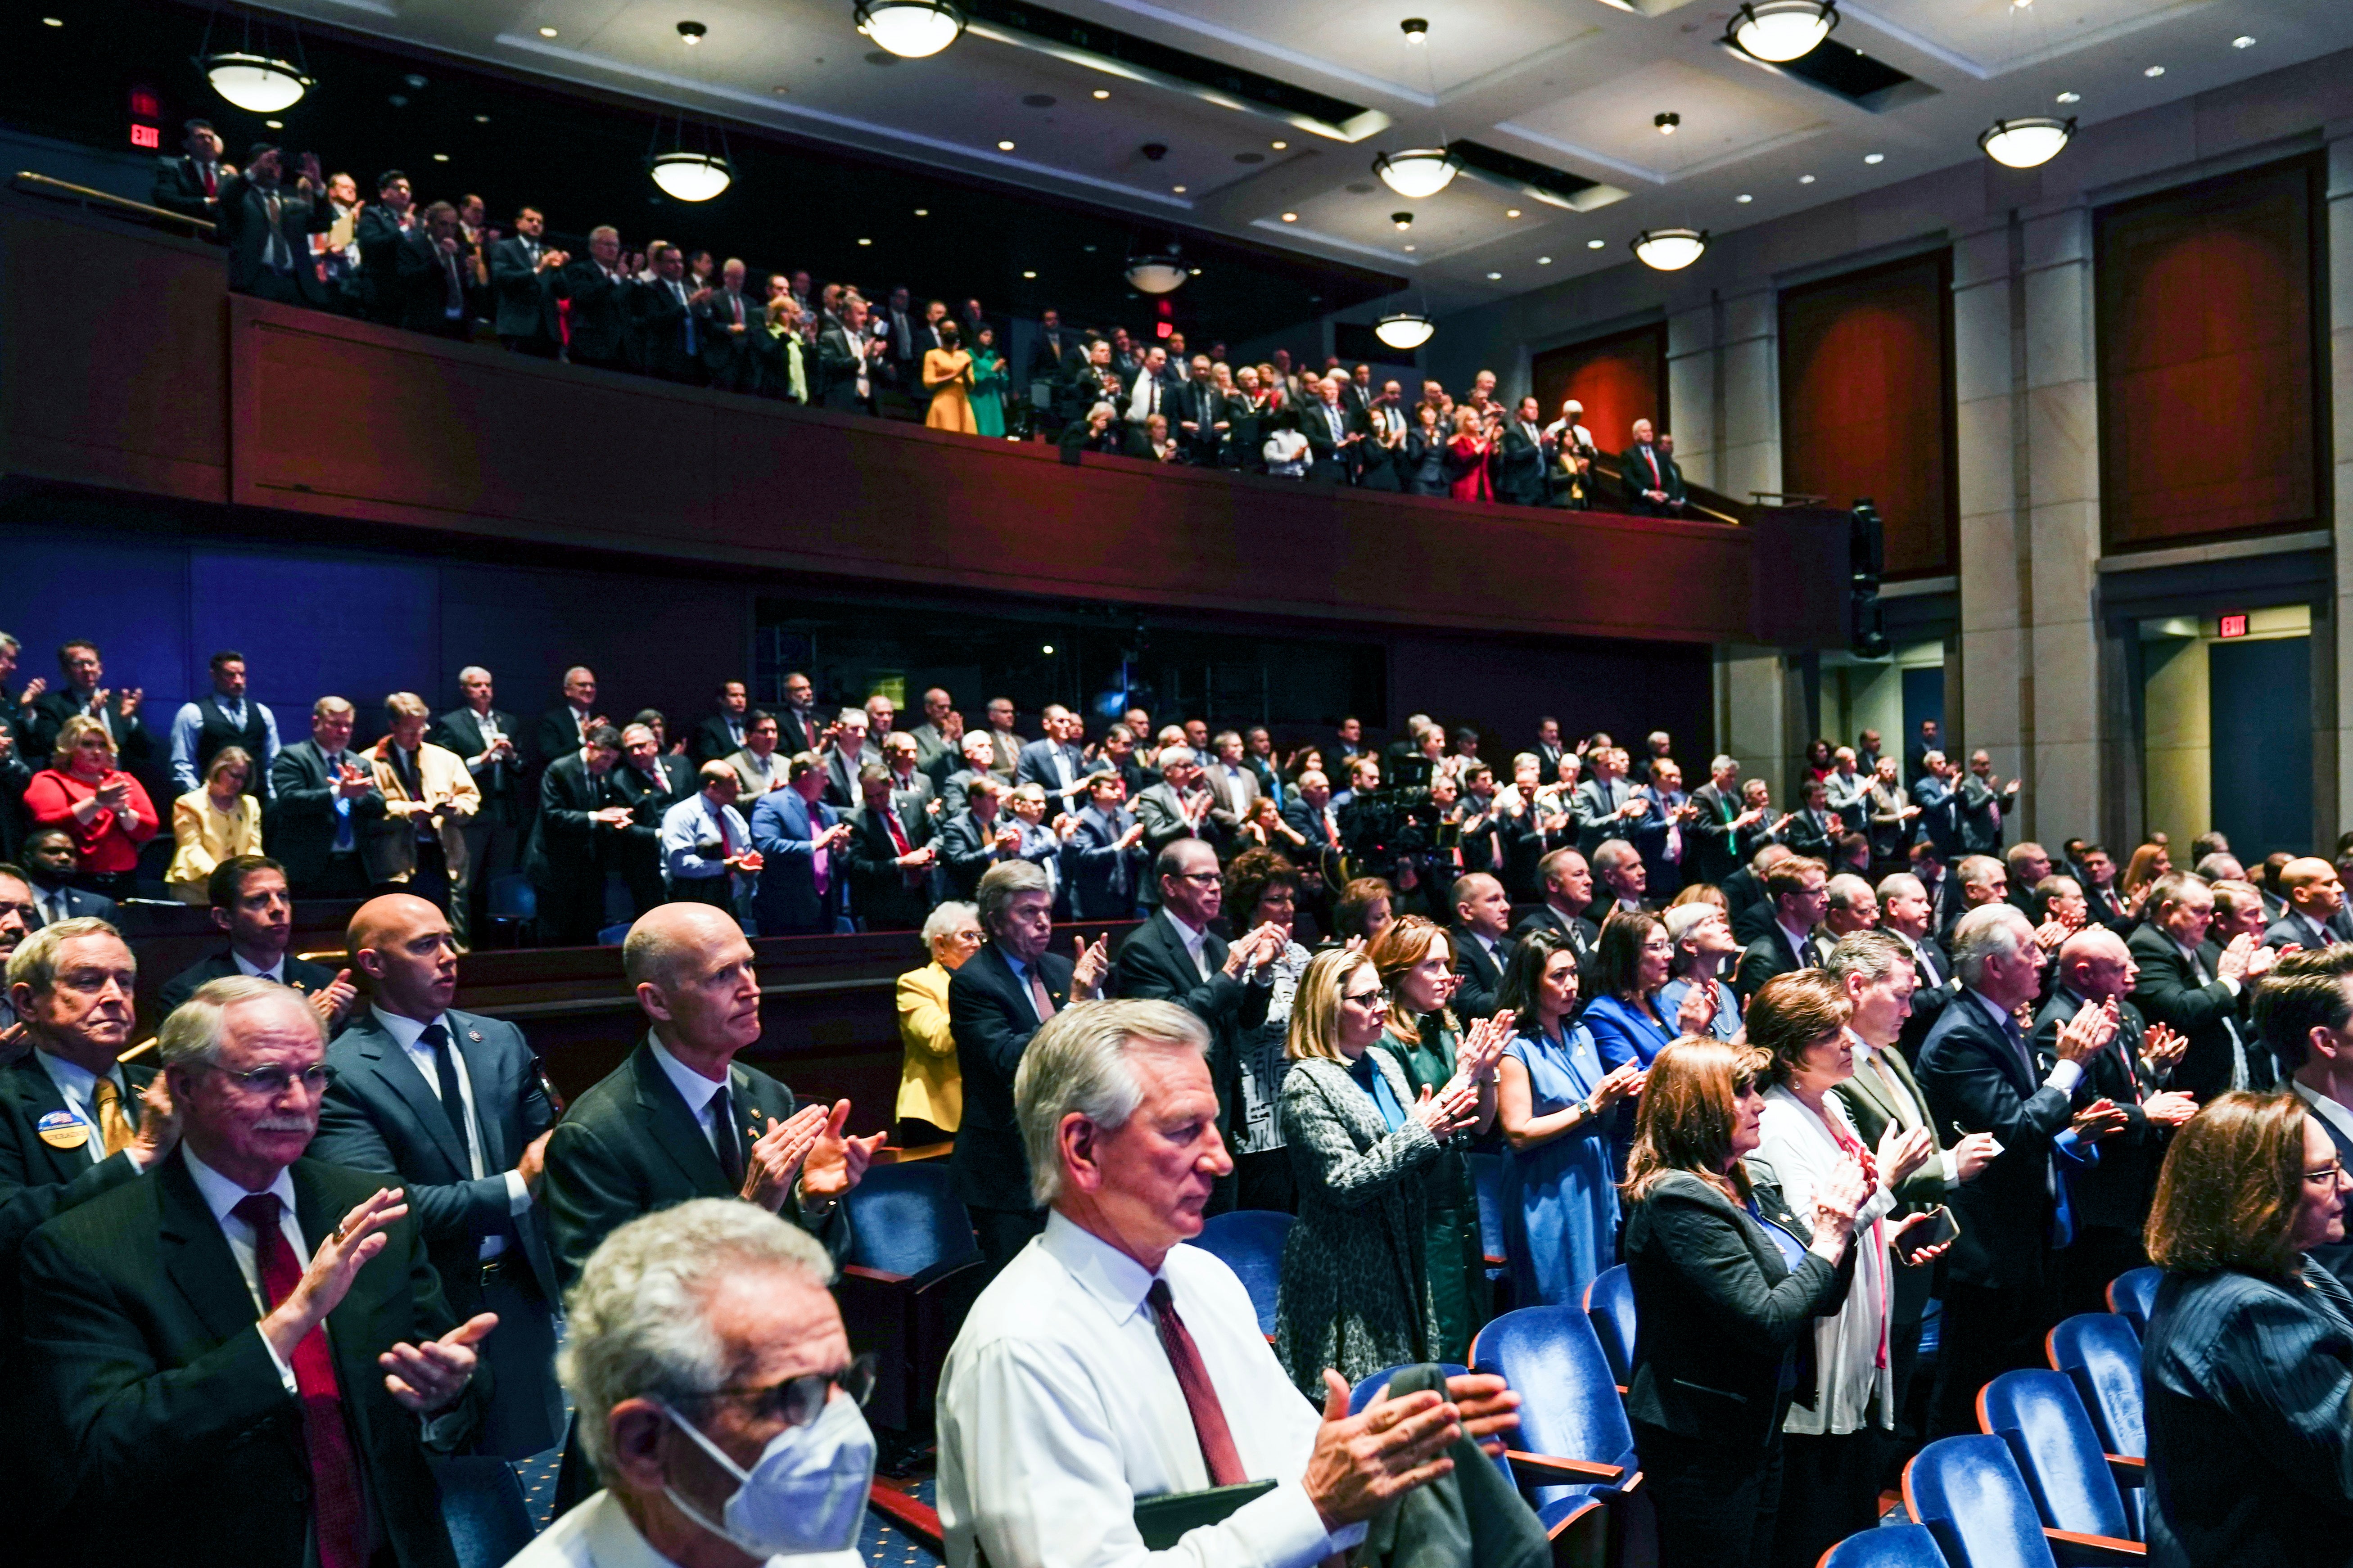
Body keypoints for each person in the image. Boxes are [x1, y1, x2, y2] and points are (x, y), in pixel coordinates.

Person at [938, 996, 1517, 1567]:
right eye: (1184, 1130)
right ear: (1084, 1148)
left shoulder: (1204, 1279)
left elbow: (1294, 1460)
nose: (1221, 1160)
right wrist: (1316, 1508)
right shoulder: (1022, 1348)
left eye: (1214, 1125)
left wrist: (1382, 1453)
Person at [18, 974, 491, 1568]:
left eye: (313, 1075)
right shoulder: (83, 1248)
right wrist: (291, 1322)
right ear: (184, 1087)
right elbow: (105, 1452)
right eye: (264, 1077)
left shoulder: (372, 1204)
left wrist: (447, 1392)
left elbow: (436, 1375)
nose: (297, 1102)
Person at [310, 893, 564, 1459]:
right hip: (423, 1307)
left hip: (520, 1291)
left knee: (535, 1458)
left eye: (450, 940)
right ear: (374, 963)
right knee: (451, 1486)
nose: (449, 956)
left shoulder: (498, 1040)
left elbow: (555, 1156)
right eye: (426, 945)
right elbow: (386, 1210)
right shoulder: (341, 1071)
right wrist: (517, 1186)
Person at [1621, 1036, 1866, 1568]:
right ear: (1696, 1107)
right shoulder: (1677, 1198)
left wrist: (1843, 1233)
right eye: (1742, 1092)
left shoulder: (1739, 1180)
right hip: (1701, 1436)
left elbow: (1814, 1297)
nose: (1759, 1103)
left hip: (1755, 1421)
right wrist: (1829, 1238)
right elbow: (1767, 1319)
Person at [523, 1199, 876, 1568]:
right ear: (644, 1444)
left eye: (844, 1381)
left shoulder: (818, 1553)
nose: (846, 1424)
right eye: (796, 1394)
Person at [541, 903, 874, 1289]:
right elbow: (604, 1305)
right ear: (658, 1002)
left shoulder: (769, 1095)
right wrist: (749, 1209)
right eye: (722, 975)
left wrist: (811, 1202)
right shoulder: (595, 1135)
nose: (751, 989)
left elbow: (818, 1273)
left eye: (748, 965)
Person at [1744, 972, 1942, 1568]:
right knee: (1817, 1517)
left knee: (1851, 1496)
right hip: (1818, 1344)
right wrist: (1884, 1182)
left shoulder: (1828, 1103)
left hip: (1858, 1317)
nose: (1847, 1043)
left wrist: (1889, 1236)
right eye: (1829, 1034)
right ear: (1788, 1051)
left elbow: (1853, 1218)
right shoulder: (1775, 1123)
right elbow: (1812, 1234)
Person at [1914, 903, 2123, 1437]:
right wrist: (2070, 1066)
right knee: (1970, 1386)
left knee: (2012, 1376)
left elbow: (2030, 1127)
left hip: (2021, 1233)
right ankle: (1951, 1498)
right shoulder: (1961, 1035)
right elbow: (2014, 1134)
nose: (2042, 958)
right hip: (1985, 1245)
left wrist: (2076, 1131)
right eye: (2029, 949)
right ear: (1994, 966)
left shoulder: (1997, 1021)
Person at [2137, 1091, 2353, 1568]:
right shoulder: (2246, 1310)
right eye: (2323, 1174)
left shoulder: (2282, 1268)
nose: (2348, 1184)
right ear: (2257, 1193)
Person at [1274, 948, 1481, 1393]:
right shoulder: (1306, 1083)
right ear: (1328, 1006)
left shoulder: (1384, 1063)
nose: (1381, 1006)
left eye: (1381, 994)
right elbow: (1345, 1184)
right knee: (1364, 1403)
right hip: (1345, 1272)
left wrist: (1441, 1127)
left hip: (1402, 1252)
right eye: (1365, 998)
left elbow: (1408, 1156)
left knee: (1410, 1395)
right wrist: (1422, 1132)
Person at [948, 861, 1110, 1266]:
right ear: (995, 923)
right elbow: (1006, 1059)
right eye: (1028, 913)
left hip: (1065, 1162)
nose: (1043, 924)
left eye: (1046, 912)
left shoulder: (1059, 968)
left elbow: (1091, 1047)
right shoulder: (973, 982)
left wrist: (1096, 1001)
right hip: (1005, 1172)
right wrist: (1075, 1005)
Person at [1368, 917, 1510, 1361]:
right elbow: (1414, 1130)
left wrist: (1486, 1075)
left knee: (1470, 1323)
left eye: (1446, 963)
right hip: (1421, 1202)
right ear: (1397, 971)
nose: (1445, 975)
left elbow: (1482, 1125)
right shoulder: (1384, 1041)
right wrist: (1467, 1072)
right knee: (1438, 1333)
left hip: (1459, 1194)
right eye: (1430, 965)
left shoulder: (1443, 1028)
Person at [1114, 839, 1282, 1208]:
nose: (1216, 887)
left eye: (1218, 878)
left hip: (1221, 1108)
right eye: (1203, 878)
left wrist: (1262, 975)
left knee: (1224, 1227)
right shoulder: (1143, 948)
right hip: (1174, 1116)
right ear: (1170, 885)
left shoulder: (1218, 946)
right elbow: (1166, 1022)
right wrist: (1229, 974)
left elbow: (1245, 1022)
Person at [1495, 931, 1639, 1307]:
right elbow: (1518, 1132)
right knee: (1557, 1297)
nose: (1571, 984)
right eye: (1558, 976)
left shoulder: (1581, 1034)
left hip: (1592, 1178)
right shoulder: (1514, 1047)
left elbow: (1599, 1109)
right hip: (1546, 1187)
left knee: (1598, 1293)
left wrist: (1620, 1092)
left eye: (1573, 973)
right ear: (1530, 982)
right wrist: (1591, 1105)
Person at [2128, 870, 2278, 1100]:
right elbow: (2180, 1010)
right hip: (2192, 1088)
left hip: (2232, 1080)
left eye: (2209, 912)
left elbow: (2229, 1004)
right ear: (2168, 910)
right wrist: (2231, 979)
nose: (2208, 920)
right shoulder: (2147, 948)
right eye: (2200, 911)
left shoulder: (2201, 945)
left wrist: (2249, 979)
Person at [156, 855, 356, 1023]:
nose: (278, 908)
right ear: (224, 918)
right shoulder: (188, 995)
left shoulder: (323, 983)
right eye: (258, 900)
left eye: (283, 896)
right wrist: (306, 1022)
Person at [1226, 850, 1313, 1213]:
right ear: (1250, 905)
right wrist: (1262, 971)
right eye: (1275, 900)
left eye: (1290, 898)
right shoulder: (1235, 954)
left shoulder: (1301, 954)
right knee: (1268, 1221)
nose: (1287, 907)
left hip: (1304, 1108)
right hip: (1261, 1112)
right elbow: (1247, 1021)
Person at [365, 692, 478, 921]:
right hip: (395, 862)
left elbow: (471, 798)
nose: (417, 736)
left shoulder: (446, 759)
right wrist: (408, 812)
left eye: (422, 729)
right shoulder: (368, 762)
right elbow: (368, 810)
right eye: (410, 731)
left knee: (445, 926)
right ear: (392, 726)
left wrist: (455, 808)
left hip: (441, 856)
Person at [24, 717, 155, 899]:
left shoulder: (123, 780)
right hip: (74, 881)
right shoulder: (49, 780)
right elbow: (50, 828)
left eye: (103, 745)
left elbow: (147, 831)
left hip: (124, 882)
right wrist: (97, 803)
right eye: (87, 745)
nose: (97, 751)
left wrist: (122, 810)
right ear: (68, 748)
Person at [272, 697, 386, 900]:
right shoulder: (293, 757)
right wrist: (339, 793)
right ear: (316, 723)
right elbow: (290, 800)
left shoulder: (359, 763)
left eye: (348, 725)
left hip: (355, 866)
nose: (343, 732)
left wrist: (357, 794)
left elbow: (379, 806)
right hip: (308, 868)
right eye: (335, 725)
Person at [530, 724, 630, 946]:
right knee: (555, 935)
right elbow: (554, 815)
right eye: (604, 758)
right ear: (590, 746)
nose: (607, 765)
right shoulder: (559, 769)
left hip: (588, 867)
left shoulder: (604, 773)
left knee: (587, 933)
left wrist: (615, 816)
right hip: (555, 866)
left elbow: (602, 810)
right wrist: (597, 817)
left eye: (613, 761)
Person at [1585, 910, 1719, 1072]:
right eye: (1657, 947)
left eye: (1668, 946)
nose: (1669, 955)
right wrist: (1690, 1034)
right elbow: (1634, 1082)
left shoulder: (1661, 1000)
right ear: (1628, 954)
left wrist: (1702, 1030)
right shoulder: (1602, 1015)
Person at [898, 901, 981, 1148]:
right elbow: (938, 1041)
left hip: (982, 1114)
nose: (977, 944)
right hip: (936, 1118)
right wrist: (974, 998)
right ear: (941, 943)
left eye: (980, 937)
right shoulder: (916, 983)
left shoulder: (987, 984)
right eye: (968, 936)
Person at [749, 754, 849, 936]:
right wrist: (814, 845)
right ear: (805, 776)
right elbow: (768, 845)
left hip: (825, 907)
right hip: (786, 909)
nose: (827, 783)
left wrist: (841, 850)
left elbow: (832, 859)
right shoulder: (772, 804)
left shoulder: (828, 812)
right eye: (823, 777)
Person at [168, 649, 279, 798]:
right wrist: (198, 803)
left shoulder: (263, 713)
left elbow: (273, 762)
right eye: (230, 675)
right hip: (212, 805)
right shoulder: (193, 713)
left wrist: (273, 798)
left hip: (258, 804)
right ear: (214, 676)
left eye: (242, 675)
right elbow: (183, 764)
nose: (239, 681)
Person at [659, 761, 762, 919]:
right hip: (693, 903)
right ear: (714, 787)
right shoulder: (681, 815)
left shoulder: (732, 816)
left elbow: (745, 851)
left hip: (731, 901)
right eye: (733, 783)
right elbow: (679, 864)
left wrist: (750, 861)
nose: (739, 789)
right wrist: (724, 866)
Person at [165, 744, 263, 904]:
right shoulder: (188, 803)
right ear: (218, 769)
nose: (239, 783)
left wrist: (251, 875)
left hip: (238, 889)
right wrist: (221, 877)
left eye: (243, 778)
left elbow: (254, 846)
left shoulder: (250, 805)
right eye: (234, 775)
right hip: (195, 888)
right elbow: (191, 848)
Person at [1736, 856, 1830, 1002]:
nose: (1827, 898)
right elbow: (1768, 1022)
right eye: (1817, 891)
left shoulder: (1812, 949)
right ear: (1788, 901)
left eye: (1825, 889)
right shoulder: (1763, 961)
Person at [1657, 901, 1743, 1041]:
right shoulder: (1673, 998)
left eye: (1720, 921)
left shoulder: (1725, 992)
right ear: (1690, 945)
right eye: (1710, 923)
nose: (1726, 927)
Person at [924, 320, 977, 433]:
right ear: (940, 333)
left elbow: (970, 387)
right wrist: (955, 375)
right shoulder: (932, 355)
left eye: (954, 330)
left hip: (962, 403)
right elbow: (929, 382)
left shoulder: (965, 356)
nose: (951, 333)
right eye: (948, 330)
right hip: (943, 402)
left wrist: (964, 374)